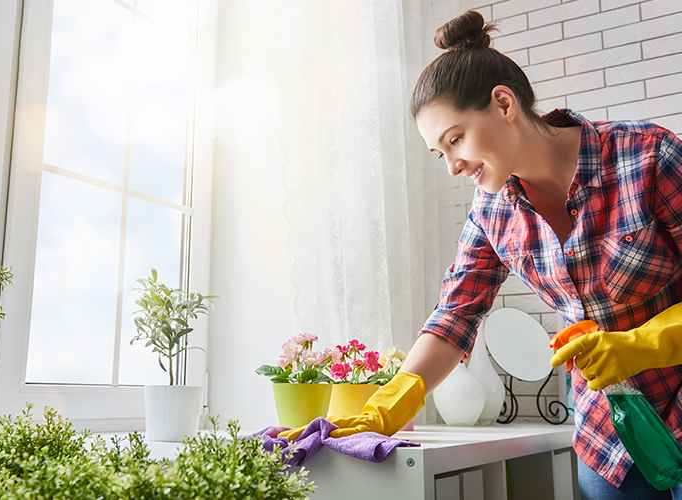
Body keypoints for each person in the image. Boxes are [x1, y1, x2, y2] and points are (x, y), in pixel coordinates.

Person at [279, 9, 682, 499]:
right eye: (440, 153)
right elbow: (456, 315)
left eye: (456, 140)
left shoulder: (646, 157)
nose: (452, 166)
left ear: (504, 103)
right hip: (607, 441)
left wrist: (642, 345)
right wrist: (383, 410)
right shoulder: (491, 212)